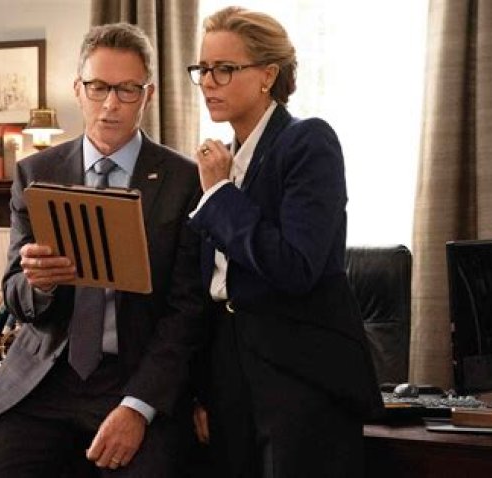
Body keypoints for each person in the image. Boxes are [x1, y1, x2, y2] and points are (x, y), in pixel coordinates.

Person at [0, 23, 204, 477]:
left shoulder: (184, 181)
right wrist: (39, 285)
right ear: (79, 89)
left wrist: (138, 407)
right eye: (98, 87)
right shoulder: (36, 172)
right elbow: (15, 296)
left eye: (127, 89)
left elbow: (187, 312)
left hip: (133, 378)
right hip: (43, 378)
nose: (111, 104)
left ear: (148, 95)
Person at [186, 7, 383, 477]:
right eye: (203, 69)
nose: (208, 82)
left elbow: (296, 265)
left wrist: (220, 195)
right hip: (228, 369)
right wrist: (200, 389)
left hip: (299, 369)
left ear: (267, 76)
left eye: (224, 68)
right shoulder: (221, 161)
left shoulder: (307, 142)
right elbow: (211, 285)